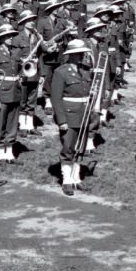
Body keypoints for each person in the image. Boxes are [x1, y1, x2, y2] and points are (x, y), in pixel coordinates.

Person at [51, 39, 96, 196]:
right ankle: (67, 181)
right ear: (69, 55)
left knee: (80, 148)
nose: (79, 56)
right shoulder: (61, 72)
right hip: (69, 115)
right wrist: (61, 120)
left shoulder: (86, 70)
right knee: (68, 148)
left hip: (84, 114)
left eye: (81, 54)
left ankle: (76, 178)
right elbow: (56, 98)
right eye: (76, 54)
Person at [0, 23, 21, 162]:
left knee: (12, 123)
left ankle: (10, 151)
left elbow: (18, 71)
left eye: (11, 36)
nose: (10, 38)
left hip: (15, 91)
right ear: (1, 39)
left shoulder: (15, 52)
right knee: (0, 123)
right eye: (7, 36)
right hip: (1, 92)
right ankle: (1, 152)